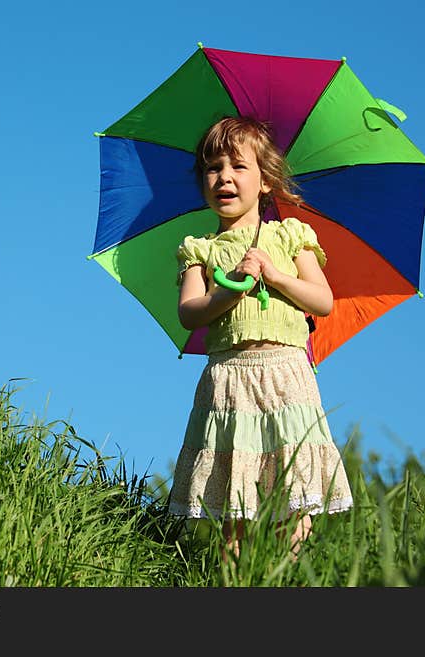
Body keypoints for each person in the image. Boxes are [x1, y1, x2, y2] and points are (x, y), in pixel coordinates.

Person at [168, 115, 353, 562]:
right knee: (234, 497)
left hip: (286, 375)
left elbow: (323, 299)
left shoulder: (289, 237)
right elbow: (190, 312)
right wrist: (230, 288)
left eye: (238, 166)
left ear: (266, 181)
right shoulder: (202, 249)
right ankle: (234, 576)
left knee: (294, 487)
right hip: (229, 379)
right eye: (212, 168)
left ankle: (288, 573)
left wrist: (274, 274)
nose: (224, 177)